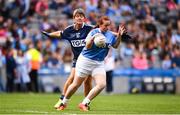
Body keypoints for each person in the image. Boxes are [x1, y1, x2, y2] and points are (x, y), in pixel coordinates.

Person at [58, 16, 126, 111]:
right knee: (75, 85)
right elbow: (88, 46)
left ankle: (84, 103)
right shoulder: (93, 32)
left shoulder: (110, 34)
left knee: (102, 84)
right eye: (105, 25)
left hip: (98, 63)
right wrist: (94, 38)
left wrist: (119, 36)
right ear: (100, 25)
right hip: (85, 61)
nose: (107, 27)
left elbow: (115, 45)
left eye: (108, 25)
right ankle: (63, 103)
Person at [42, 8, 93, 109]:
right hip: (77, 59)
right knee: (71, 78)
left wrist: (118, 35)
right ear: (74, 18)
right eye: (77, 16)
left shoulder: (89, 28)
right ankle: (61, 100)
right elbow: (59, 33)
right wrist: (49, 35)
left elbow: (104, 31)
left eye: (81, 16)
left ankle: (85, 103)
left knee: (88, 82)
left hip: (89, 59)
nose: (79, 18)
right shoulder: (69, 30)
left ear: (84, 18)